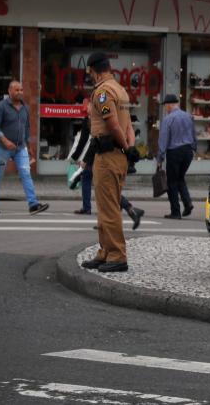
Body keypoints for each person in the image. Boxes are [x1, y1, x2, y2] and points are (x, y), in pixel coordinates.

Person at [80, 52, 135, 273]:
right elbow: (128, 126)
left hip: (107, 156)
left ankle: (117, 255)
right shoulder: (120, 90)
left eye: (90, 72)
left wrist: (123, 147)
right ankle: (104, 252)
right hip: (119, 156)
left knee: (108, 208)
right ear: (109, 66)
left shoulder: (102, 92)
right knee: (106, 206)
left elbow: (113, 125)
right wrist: (129, 149)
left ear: (93, 70)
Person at [68, 100, 144, 229]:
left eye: (89, 105)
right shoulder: (100, 118)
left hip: (103, 157)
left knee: (106, 190)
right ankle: (117, 215)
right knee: (107, 189)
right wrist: (129, 150)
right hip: (107, 155)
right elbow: (127, 130)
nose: (87, 108)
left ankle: (118, 214)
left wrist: (82, 160)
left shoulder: (100, 117)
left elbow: (95, 141)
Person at [0, 80, 49, 215]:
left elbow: (26, 128)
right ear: (9, 91)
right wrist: (5, 140)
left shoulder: (25, 107)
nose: (20, 92)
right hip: (2, 148)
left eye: (21, 90)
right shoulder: (1, 106)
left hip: (20, 148)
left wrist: (30, 145)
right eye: (17, 90)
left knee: (26, 174)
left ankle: (33, 204)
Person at [158, 94, 196, 219]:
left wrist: (160, 158)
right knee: (180, 178)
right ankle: (187, 202)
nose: (165, 108)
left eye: (165, 106)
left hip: (174, 151)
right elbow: (193, 134)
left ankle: (175, 212)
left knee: (172, 182)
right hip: (188, 151)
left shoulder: (168, 119)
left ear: (169, 105)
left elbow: (163, 140)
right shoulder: (188, 116)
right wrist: (193, 148)